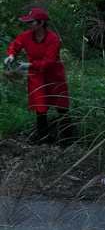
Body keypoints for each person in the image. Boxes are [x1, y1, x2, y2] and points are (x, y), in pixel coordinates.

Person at [3, 7, 73, 145]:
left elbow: (49, 61)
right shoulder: (26, 36)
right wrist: (11, 55)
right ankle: (43, 139)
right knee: (40, 106)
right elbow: (15, 44)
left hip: (54, 76)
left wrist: (29, 65)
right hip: (37, 77)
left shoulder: (53, 39)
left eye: (31, 22)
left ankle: (67, 139)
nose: (28, 25)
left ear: (41, 23)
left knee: (61, 106)